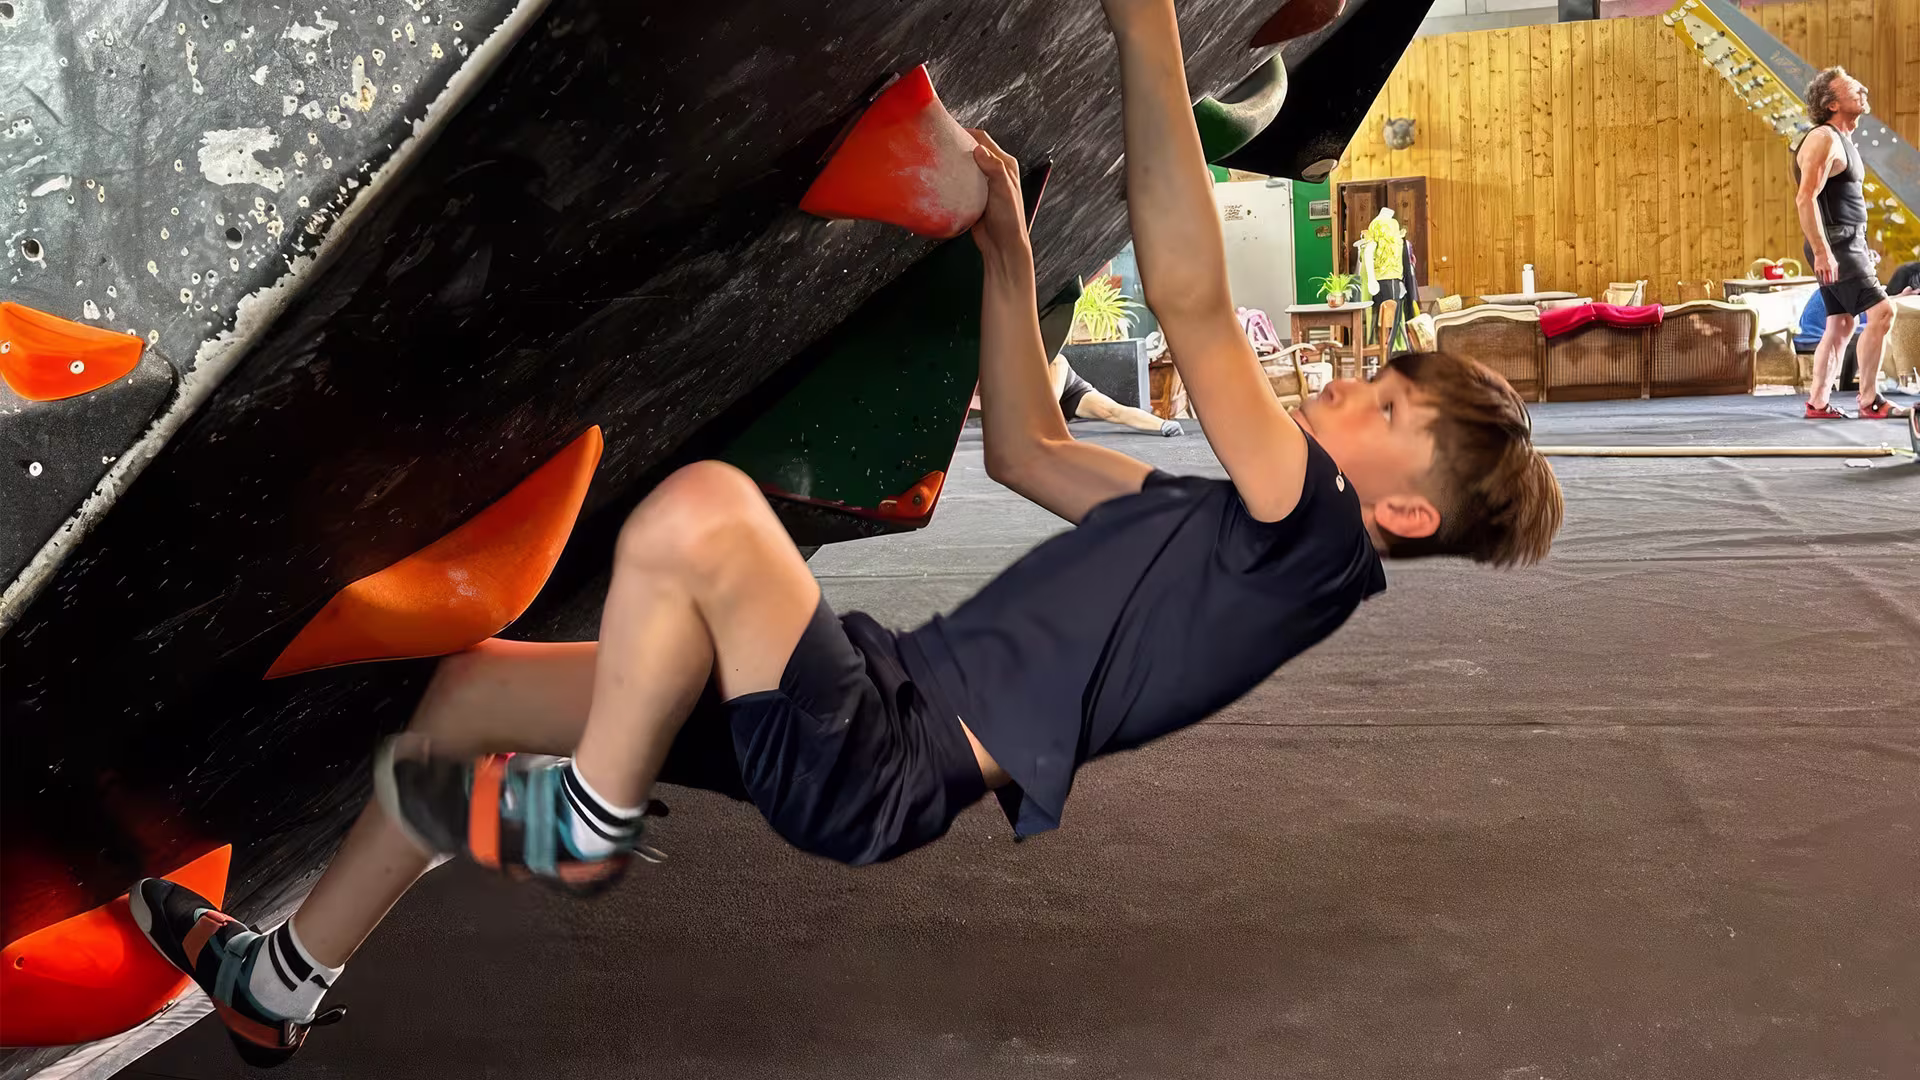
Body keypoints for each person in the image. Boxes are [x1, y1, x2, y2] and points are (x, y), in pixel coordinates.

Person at [128, 0, 1563, 1064]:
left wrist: (1144, 24)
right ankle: (283, 982)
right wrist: (1007, 250)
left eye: (1382, 404)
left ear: (1401, 510)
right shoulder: (1224, 539)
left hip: (882, 755)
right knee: (475, 694)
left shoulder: (1313, 544)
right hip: (859, 707)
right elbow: (1029, 450)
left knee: (707, 514)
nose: (1348, 389)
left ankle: (583, 819)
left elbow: (1190, 300)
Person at [1793, 67, 1910, 420]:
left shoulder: (1840, 139)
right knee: (1883, 312)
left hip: (1845, 241)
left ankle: (1817, 403)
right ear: (1831, 104)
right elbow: (1805, 198)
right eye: (1852, 88)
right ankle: (1870, 400)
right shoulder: (1823, 138)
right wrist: (1824, 251)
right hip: (1836, 243)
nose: (1863, 89)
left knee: (1841, 323)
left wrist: (1857, 243)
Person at [1050, 351, 1185, 435]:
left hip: (1069, 392)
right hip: (1045, 405)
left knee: (1110, 411)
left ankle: (1162, 425)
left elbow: (1051, 403)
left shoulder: (1057, 361)